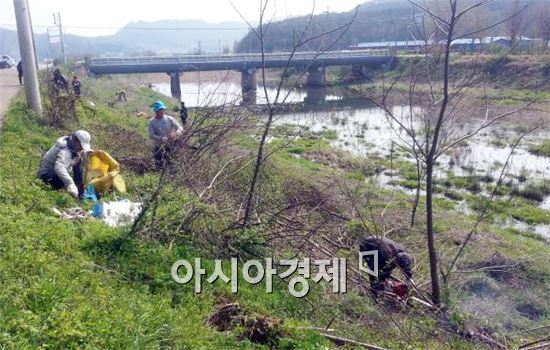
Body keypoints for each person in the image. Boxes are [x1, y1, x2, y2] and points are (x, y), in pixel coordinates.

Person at [37, 130, 92, 198]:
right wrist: (70, 183)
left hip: (56, 172)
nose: (81, 148)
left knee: (79, 162)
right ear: (76, 140)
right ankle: (61, 189)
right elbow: (59, 168)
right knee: (61, 182)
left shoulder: (74, 146)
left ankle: (80, 193)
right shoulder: (65, 150)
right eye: (81, 145)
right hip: (46, 173)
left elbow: (77, 159)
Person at [148, 100, 183, 168]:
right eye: (160, 110)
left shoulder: (170, 119)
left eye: (163, 109)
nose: (162, 111)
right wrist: (161, 138)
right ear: (156, 111)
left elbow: (180, 128)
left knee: (172, 163)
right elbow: (151, 135)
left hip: (171, 145)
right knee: (159, 165)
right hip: (159, 146)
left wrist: (176, 134)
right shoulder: (152, 122)